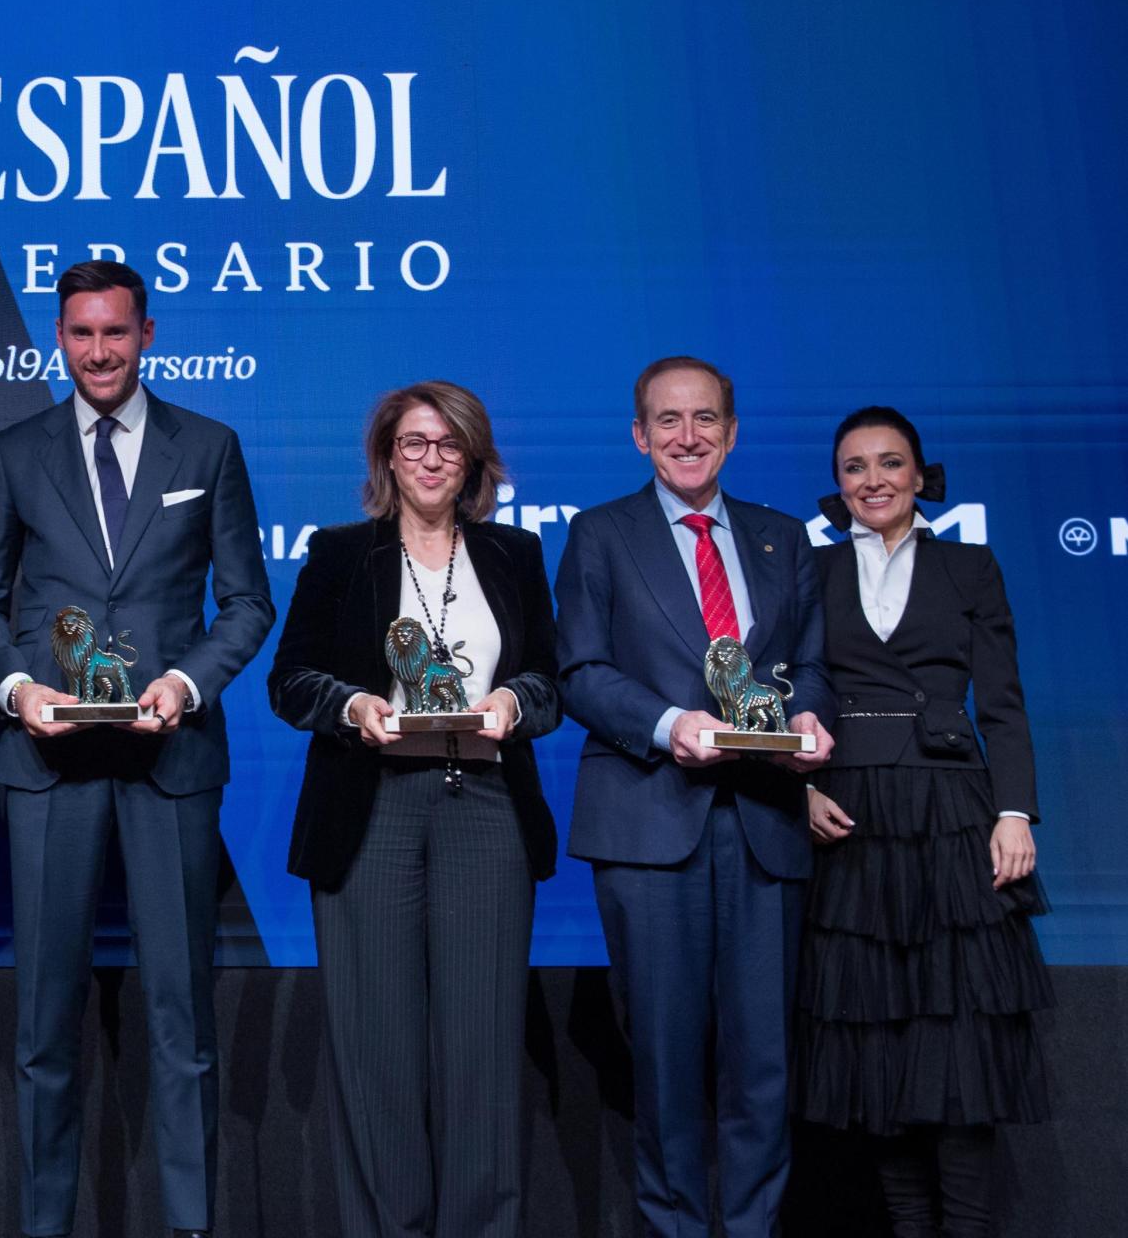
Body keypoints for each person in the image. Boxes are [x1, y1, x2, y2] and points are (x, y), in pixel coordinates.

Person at [0, 260, 274, 1238]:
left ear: (146, 333)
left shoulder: (209, 446)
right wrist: (19, 690)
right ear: (60, 338)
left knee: (182, 1017)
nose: (97, 351)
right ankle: (44, 1224)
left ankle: (190, 1225)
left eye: (114, 331)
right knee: (42, 1021)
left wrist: (185, 681)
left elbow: (247, 601)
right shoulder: (14, 451)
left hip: (168, 762)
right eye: (80, 333)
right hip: (46, 763)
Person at [267, 380, 560, 1237]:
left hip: (488, 807)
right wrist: (353, 705)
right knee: (377, 1054)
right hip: (371, 809)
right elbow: (290, 680)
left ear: (472, 459)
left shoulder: (514, 553)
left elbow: (550, 682)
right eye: (414, 444)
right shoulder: (339, 552)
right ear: (387, 458)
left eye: (449, 444)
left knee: (483, 1053)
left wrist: (512, 702)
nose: (431, 459)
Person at [554, 355, 836, 1237]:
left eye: (705, 418)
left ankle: (752, 1228)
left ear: (732, 432)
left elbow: (812, 665)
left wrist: (812, 720)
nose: (688, 436)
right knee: (665, 1059)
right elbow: (580, 671)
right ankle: (673, 1226)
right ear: (641, 436)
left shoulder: (782, 537)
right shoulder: (601, 533)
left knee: (764, 1063)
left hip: (764, 824)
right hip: (650, 821)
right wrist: (671, 724)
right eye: (668, 421)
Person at [797, 406, 1053, 1236]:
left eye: (889, 462)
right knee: (877, 1050)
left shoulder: (970, 566)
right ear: (838, 485)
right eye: (855, 467)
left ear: (919, 474)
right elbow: (788, 695)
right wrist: (799, 790)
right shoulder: (811, 570)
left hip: (952, 814)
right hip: (850, 817)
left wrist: (1013, 811)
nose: (873, 479)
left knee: (961, 1043)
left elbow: (1003, 702)